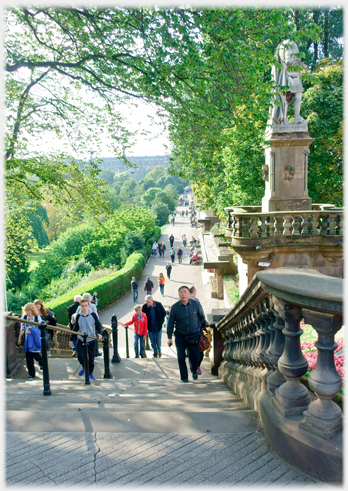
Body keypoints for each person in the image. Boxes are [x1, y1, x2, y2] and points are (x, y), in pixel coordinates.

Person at [167, 286, 210, 382]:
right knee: (181, 357)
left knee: (195, 357)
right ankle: (184, 377)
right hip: (180, 336)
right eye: (181, 292)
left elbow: (202, 317)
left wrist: (205, 323)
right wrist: (169, 337)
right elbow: (170, 323)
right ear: (179, 295)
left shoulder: (196, 304)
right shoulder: (175, 307)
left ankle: (194, 371)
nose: (183, 294)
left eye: (185, 292)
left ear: (189, 294)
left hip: (194, 335)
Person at [270, 40, 308, 125]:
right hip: (291, 74)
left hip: (283, 75)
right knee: (298, 93)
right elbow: (289, 61)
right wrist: (301, 65)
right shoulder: (290, 43)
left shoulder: (281, 45)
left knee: (284, 97)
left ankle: (284, 118)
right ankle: (296, 117)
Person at [69, 298, 102, 381]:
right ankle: (85, 367)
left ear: (88, 306)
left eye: (86, 306)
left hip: (91, 339)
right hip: (81, 339)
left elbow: (98, 325)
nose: (84, 308)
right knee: (80, 355)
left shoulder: (93, 315)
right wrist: (71, 339)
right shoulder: (79, 316)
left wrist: (100, 334)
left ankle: (89, 373)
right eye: (82, 306)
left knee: (91, 358)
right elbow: (75, 328)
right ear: (80, 306)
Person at [18, 303, 43, 379]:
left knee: (35, 354)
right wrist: (19, 338)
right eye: (26, 310)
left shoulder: (37, 317)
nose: (27, 312)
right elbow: (22, 328)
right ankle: (31, 374)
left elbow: (41, 327)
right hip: (28, 339)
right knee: (28, 357)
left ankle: (42, 363)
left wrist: (32, 330)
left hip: (34, 339)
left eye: (28, 310)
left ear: (32, 310)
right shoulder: (24, 317)